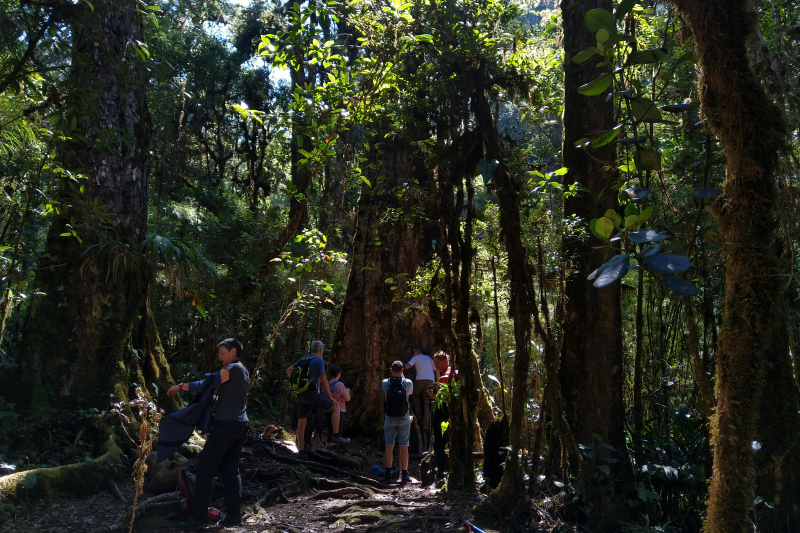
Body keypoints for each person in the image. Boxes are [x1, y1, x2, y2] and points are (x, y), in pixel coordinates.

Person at [167, 338, 249, 530]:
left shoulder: (233, 369)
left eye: (222, 352)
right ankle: (233, 516)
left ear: (233, 351)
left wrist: (181, 386)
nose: (220, 356)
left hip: (226, 426)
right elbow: (228, 397)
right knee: (230, 471)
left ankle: (198, 518)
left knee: (204, 470)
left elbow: (209, 381)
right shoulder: (243, 371)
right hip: (239, 425)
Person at [286, 340, 349, 455]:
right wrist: (331, 397)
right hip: (312, 394)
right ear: (321, 350)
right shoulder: (319, 360)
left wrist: (298, 384)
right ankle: (335, 436)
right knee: (335, 407)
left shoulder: (305, 358)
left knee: (302, 422)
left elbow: (289, 371)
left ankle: (301, 450)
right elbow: (324, 380)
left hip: (301, 394)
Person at [382, 360, 413, 484]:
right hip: (404, 417)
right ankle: (405, 473)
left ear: (391, 370)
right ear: (402, 370)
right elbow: (410, 392)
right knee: (404, 446)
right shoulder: (407, 382)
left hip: (389, 418)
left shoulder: (385, 383)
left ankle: (388, 473)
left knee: (389, 446)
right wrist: (403, 377)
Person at [404, 346, 435, 449]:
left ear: (418, 352)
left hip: (420, 379)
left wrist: (403, 367)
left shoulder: (416, 358)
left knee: (416, 395)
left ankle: (419, 415)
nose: (413, 353)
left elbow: (408, 365)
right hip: (431, 379)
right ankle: (426, 425)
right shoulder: (429, 358)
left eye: (414, 351)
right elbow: (435, 369)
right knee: (427, 401)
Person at [430, 350, 452, 484]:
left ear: (445, 361)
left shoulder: (445, 378)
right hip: (449, 413)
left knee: (438, 442)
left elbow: (444, 398)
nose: (435, 364)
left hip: (443, 414)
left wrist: (434, 396)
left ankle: (441, 473)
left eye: (437, 362)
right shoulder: (449, 374)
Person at [325, 365, 351, 446]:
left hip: (327, 410)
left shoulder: (326, 384)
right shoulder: (339, 384)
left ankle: (328, 447)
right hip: (338, 412)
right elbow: (347, 398)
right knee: (337, 433)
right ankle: (335, 451)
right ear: (339, 374)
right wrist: (347, 391)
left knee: (329, 432)